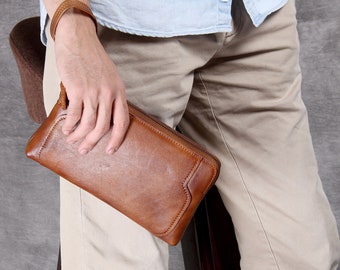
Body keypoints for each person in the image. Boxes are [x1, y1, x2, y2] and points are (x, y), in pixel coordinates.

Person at [39, 0, 340, 269]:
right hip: (122, 28)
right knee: (122, 261)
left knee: (303, 255)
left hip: (254, 20)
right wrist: (71, 22)